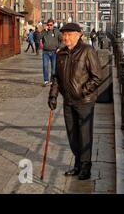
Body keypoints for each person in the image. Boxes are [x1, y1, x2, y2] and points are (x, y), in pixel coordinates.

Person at [48, 23, 104, 181]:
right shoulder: (61, 53)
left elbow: (97, 76)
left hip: (84, 101)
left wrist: (83, 91)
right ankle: (78, 163)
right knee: (72, 134)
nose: (66, 37)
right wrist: (53, 96)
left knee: (84, 134)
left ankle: (86, 166)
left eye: (70, 34)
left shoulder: (87, 51)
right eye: (64, 34)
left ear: (79, 35)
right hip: (68, 101)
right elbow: (56, 78)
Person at [41, 19, 62, 87]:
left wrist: (59, 48)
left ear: (53, 25)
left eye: (51, 25)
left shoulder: (57, 32)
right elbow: (39, 37)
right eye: (48, 25)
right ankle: (46, 81)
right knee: (45, 66)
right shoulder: (44, 32)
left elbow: (62, 40)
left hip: (54, 52)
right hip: (45, 52)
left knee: (53, 68)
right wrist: (44, 30)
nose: (49, 26)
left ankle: (52, 80)